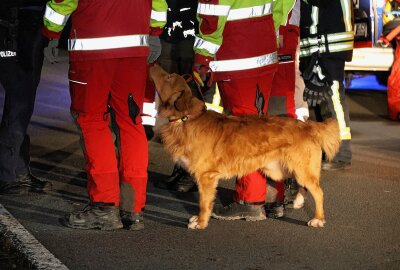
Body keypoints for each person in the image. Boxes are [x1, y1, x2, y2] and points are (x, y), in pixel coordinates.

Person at [42, 0, 167, 230]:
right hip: (134, 48)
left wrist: (51, 33)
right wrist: (155, 32)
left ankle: (104, 206)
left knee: (91, 120)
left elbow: (62, 2)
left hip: (92, 48)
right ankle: (133, 208)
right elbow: (159, 4)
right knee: (131, 122)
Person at [193, 0, 295, 221]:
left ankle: (249, 200)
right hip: (264, 48)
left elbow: (212, 13)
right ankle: (272, 195)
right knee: (260, 126)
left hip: (236, 52)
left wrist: (203, 54)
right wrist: (269, 27)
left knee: (245, 131)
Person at [0, 1, 52, 195]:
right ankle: (9, 173)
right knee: (20, 99)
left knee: (22, 99)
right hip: (17, 22)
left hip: (27, 22)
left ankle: (16, 170)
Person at [299, 0, 354, 171]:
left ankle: (340, 154)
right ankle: (332, 151)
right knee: (330, 99)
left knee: (333, 98)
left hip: (327, 47)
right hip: (327, 45)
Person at [153, 0, 199, 193]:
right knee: (173, 108)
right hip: (166, 32)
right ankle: (181, 166)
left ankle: (193, 170)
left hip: (192, 34)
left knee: (191, 107)